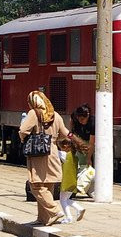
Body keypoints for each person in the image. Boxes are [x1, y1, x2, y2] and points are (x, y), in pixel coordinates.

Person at [18, 90, 72, 225]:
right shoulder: (55, 115)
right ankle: (44, 218)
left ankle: (54, 211)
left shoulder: (33, 113)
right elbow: (65, 133)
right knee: (47, 186)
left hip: (38, 153)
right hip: (52, 151)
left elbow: (23, 130)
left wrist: (23, 138)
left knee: (35, 185)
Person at [57, 137, 86, 222]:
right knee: (66, 199)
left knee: (62, 200)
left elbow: (53, 152)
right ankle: (79, 208)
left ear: (65, 146)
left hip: (66, 181)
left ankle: (69, 217)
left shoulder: (64, 155)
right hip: (73, 181)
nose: (59, 148)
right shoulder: (75, 155)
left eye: (60, 146)